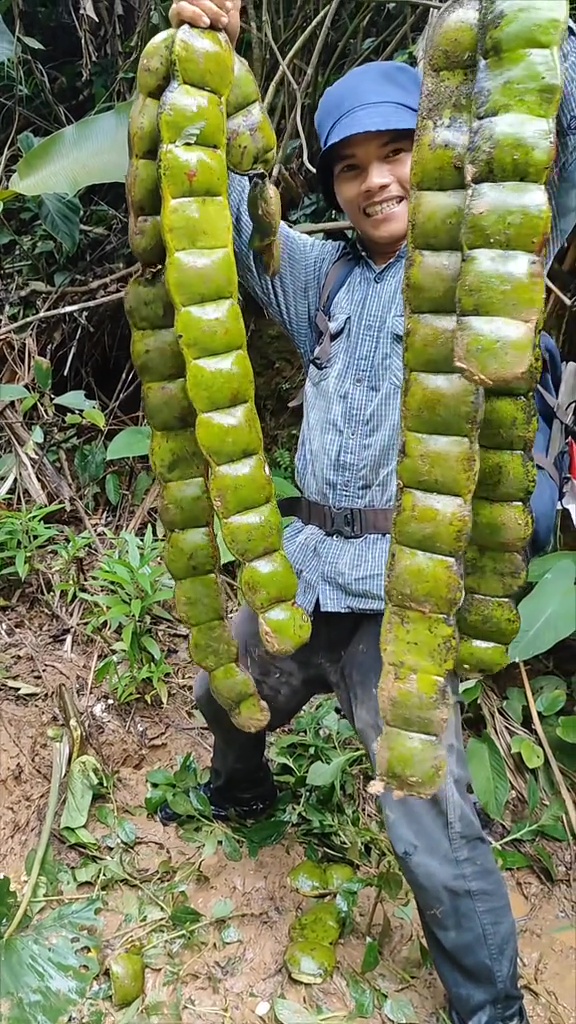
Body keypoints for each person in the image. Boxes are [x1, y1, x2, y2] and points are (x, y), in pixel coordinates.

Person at [162, 4, 576, 1024]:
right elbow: (217, 218)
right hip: (305, 576)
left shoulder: (487, 266)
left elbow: (553, 152)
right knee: (229, 693)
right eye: (352, 166)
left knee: (427, 823)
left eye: (400, 152)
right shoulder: (324, 276)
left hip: (407, 607)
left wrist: (542, 31)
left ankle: (491, 1010)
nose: (379, 179)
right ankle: (241, 791)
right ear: (332, 186)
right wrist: (203, 58)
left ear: (440, 155)